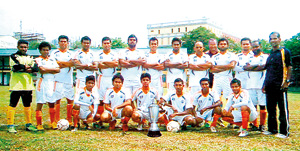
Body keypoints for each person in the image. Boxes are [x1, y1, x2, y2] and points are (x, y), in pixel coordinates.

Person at [262, 32, 292, 138]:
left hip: (280, 85)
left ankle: (284, 132)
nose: (273, 40)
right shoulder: (270, 54)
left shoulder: (284, 52)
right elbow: (268, 69)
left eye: (275, 38)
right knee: (271, 108)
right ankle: (272, 129)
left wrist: (287, 81)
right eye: (271, 39)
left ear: (279, 39)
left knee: (282, 109)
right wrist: (265, 84)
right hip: (269, 85)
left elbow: (289, 67)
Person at [7, 39, 38, 133]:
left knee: (27, 105)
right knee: (13, 104)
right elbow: (15, 67)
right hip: (16, 85)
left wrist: (26, 68)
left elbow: (35, 68)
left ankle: (29, 124)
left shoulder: (30, 57)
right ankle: (10, 125)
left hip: (28, 85)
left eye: (25, 47)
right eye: (22, 47)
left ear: (27, 47)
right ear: (18, 47)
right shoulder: (13, 56)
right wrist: (26, 67)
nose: (24, 49)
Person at [243, 40, 268, 132]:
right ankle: (254, 124)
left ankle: (262, 125)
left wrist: (252, 67)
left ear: (260, 46)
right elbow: (245, 68)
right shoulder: (249, 57)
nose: (255, 49)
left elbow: (263, 67)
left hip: (261, 85)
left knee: (262, 105)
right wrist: (257, 66)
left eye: (256, 46)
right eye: (253, 47)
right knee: (253, 106)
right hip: (250, 85)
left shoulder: (265, 56)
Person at [94, 36, 119, 128]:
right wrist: (109, 63)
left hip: (112, 78)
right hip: (102, 78)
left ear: (110, 44)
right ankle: (100, 120)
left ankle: (112, 120)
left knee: (112, 98)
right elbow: (98, 65)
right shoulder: (98, 54)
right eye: (105, 43)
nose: (107, 45)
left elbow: (116, 64)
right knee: (101, 99)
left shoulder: (114, 54)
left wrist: (104, 63)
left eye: (108, 43)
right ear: (102, 44)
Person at [35, 42, 60, 130]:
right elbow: (42, 70)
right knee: (40, 102)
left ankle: (52, 122)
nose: (46, 52)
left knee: (51, 102)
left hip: (51, 82)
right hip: (42, 82)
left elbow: (57, 70)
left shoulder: (52, 60)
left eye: (47, 50)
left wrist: (47, 69)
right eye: (44, 50)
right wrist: (52, 70)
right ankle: (39, 124)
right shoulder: (38, 59)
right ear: (40, 51)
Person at [50, 35, 74, 126]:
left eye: (65, 41)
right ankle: (57, 119)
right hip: (57, 80)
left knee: (70, 99)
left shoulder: (71, 53)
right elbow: (54, 64)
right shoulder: (54, 53)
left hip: (68, 80)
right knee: (57, 100)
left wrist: (60, 63)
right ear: (58, 42)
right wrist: (67, 64)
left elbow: (72, 63)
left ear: (68, 43)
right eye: (61, 41)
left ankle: (69, 119)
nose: (63, 43)